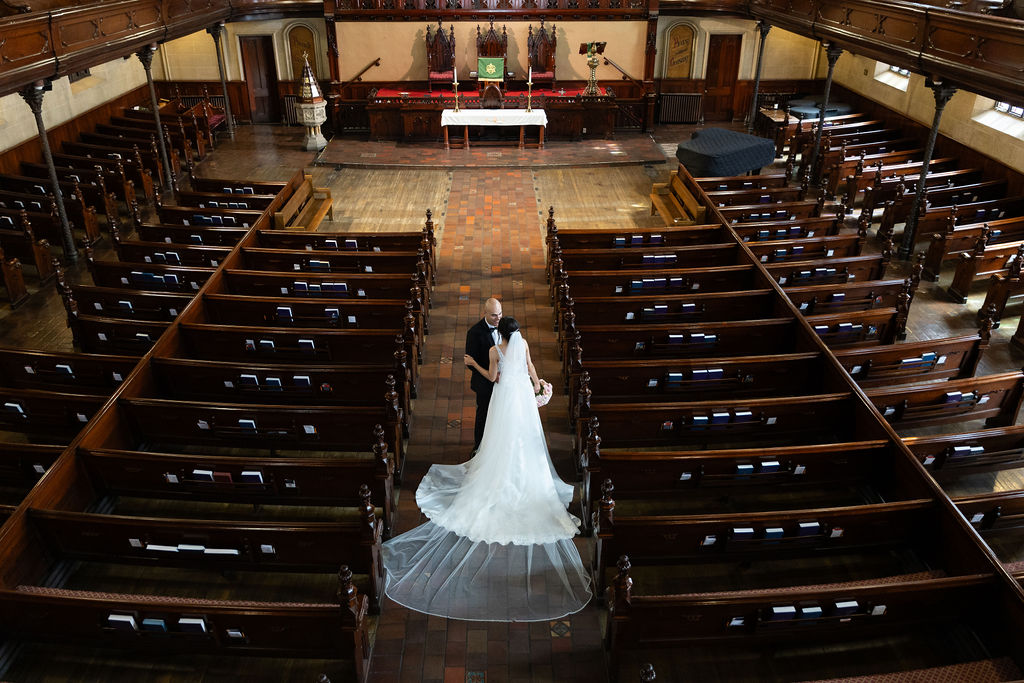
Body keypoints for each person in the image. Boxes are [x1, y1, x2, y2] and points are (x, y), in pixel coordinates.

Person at [381, 316, 592, 622]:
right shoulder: (525, 345)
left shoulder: (495, 350)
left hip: (504, 398)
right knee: (525, 440)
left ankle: (500, 473)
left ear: (500, 333)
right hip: (521, 399)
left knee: (500, 439)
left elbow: (493, 378)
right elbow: (531, 368)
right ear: (516, 333)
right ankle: (527, 480)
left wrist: (473, 363)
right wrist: (537, 385)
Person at [465, 298, 503, 451]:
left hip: (505, 382)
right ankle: (479, 447)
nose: (498, 318)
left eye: (500, 313)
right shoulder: (474, 333)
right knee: (483, 415)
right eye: (494, 315)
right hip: (484, 384)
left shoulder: (505, 326)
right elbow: (471, 363)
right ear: (485, 313)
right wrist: (490, 374)